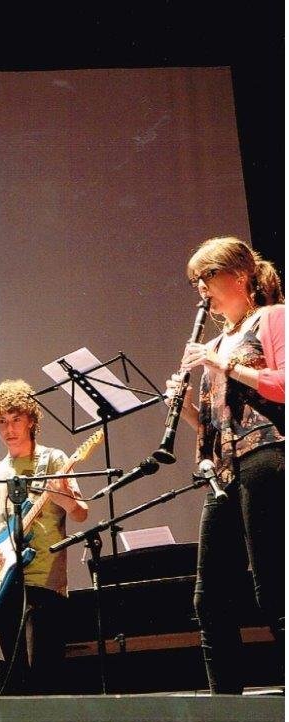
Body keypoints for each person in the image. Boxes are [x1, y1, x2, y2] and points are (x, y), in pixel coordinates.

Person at [165, 236, 284, 694]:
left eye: (207, 279)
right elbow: (216, 426)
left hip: (268, 459)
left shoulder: (272, 317)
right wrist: (185, 407)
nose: (202, 292)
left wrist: (222, 364)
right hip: (225, 472)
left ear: (239, 276)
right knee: (209, 600)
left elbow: (283, 386)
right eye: (197, 283)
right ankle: (225, 711)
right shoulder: (215, 343)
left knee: (273, 590)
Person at [0, 379, 89, 695]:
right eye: (1, 422)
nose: (9, 428)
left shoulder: (54, 460)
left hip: (46, 581)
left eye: (15, 419)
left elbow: (80, 512)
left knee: (47, 676)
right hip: (4, 581)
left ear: (31, 420)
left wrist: (58, 494)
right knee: (15, 676)